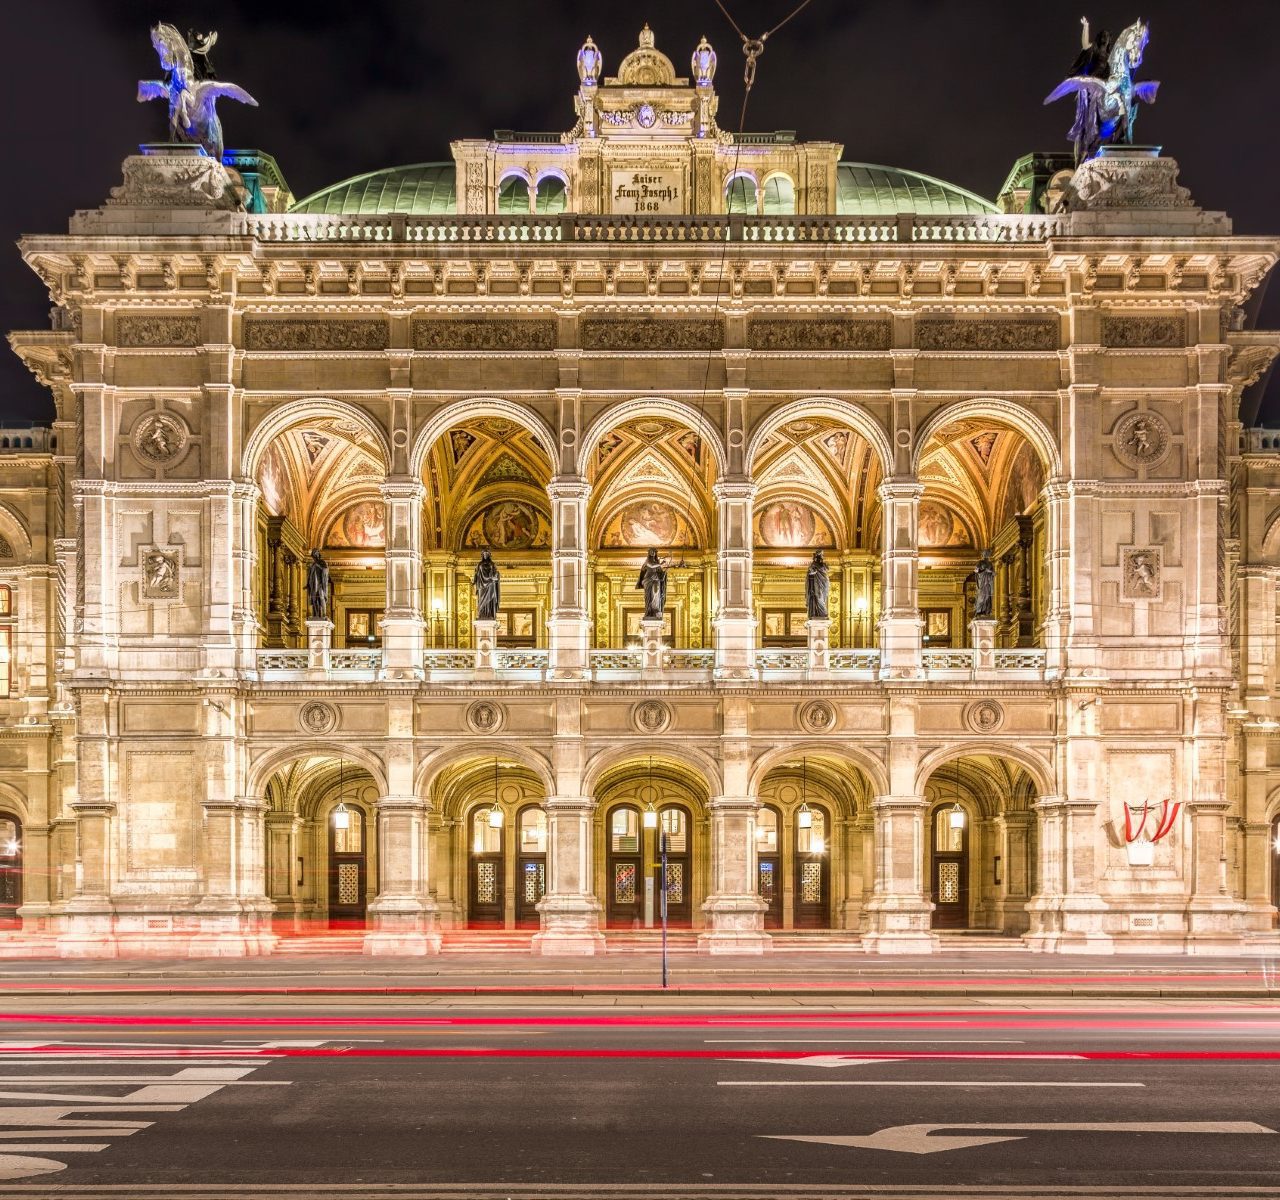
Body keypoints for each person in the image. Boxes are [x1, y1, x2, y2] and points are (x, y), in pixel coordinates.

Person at [635, 548, 670, 621]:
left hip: (656, 579)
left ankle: (655, 610)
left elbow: (659, 571)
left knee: (656, 594)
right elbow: (651, 565)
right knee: (649, 596)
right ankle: (649, 611)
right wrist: (660, 564)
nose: (653, 552)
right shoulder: (647, 560)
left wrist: (664, 572)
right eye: (651, 551)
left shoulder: (656, 561)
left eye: (654, 551)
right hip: (648, 579)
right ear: (649, 553)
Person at [472, 549, 501, 621]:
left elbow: (496, 574)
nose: (485, 555)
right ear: (482, 555)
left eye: (487, 554)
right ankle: (482, 614)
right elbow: (476, 573)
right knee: (481, 600)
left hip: (490, 585)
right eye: (484, 554)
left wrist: (495, 577)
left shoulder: (492, 564)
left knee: (490, 600)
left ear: (489, 555)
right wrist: (474, 581)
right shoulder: (479, 564)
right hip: (481, 585)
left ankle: (489, 614)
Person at [306, 549, 330, 621]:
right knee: (314, 599)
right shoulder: (312, 565)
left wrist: (318, 565)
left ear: (317, 554)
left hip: (320, 584)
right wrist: (308, 584)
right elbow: (310, 575)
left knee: (321, 597)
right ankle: (316, 615)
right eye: (313, 556)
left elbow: (325, 570)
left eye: (315, 555)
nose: (314, 557)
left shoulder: (322, 562)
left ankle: (324, 614)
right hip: (313, 584)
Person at [805, 549, 830, 620]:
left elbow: (826, 569)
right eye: (820, 555)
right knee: (818, 596)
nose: (821, 556)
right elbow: (810, 573)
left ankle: (822, 614)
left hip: (824, 582)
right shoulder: (813, 565)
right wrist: (812, 572)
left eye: (822, 555)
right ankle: (822, 613)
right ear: (817, 556)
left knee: (823, 597)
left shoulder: (824, 564)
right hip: (816, 582)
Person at [974, 550, 995, 619]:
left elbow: (993, 572)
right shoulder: (980, 562)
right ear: (982, 555)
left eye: (987, 554)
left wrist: (992, 572)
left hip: (988, 581)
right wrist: (984, 570)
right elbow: (976, 571)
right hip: (982, 581)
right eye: (985, 554)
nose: (986, 555)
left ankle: (986, 611)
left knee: (988, 596)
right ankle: (979, 611)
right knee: (982, 596)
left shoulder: (990, 563)